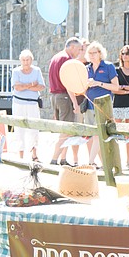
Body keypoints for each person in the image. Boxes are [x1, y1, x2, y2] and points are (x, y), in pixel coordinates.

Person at [48, 38, 82, 166]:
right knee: (66, 129)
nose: (79, 53)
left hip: (54, 96)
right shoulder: (67, 60)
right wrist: (75, 103)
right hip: (64, 96)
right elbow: (68, 84)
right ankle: (54, 159)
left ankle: (63, 159)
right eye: (78, 49)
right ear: (72, 47)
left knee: (65, 129)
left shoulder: (55, 57)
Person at [85, 41, 119, 166]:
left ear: (100, 53)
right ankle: (105, 164)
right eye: (90, 53)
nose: (92, 55)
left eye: (94, 52)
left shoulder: (108, 66)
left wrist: (98, 83)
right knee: (94, 135)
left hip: (103, 106)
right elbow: (81, 89)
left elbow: (116, 87)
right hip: (89, 105)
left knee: (98, 135)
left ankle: (90, 162)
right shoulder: (86, 69)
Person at [11, 49, 45, 161]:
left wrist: (24, 86)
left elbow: (41, 86)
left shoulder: (36, 70)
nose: (26, 62)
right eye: (24, 60)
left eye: (28, 59)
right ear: (21, 60)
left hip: (32, 103)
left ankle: (34, 154)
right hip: (19, 103)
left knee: (34, 128)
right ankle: (20, 155)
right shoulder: (16, 71)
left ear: (31, 60)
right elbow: (17, 87)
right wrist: (31, 85)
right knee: (19, 128)